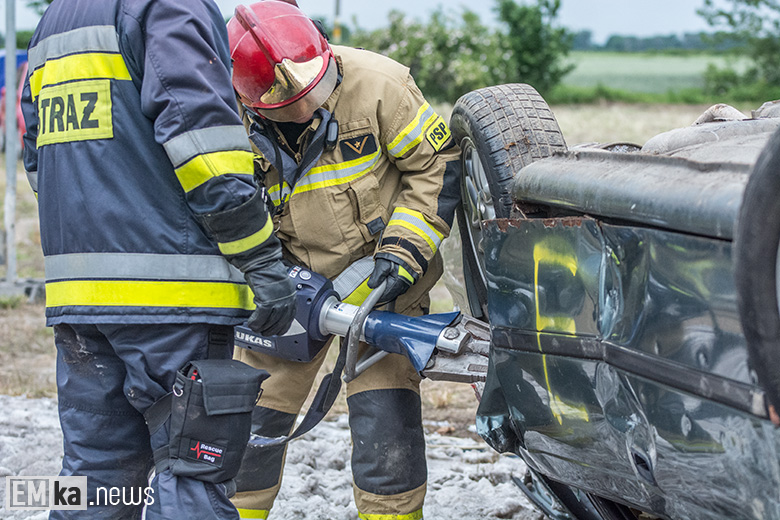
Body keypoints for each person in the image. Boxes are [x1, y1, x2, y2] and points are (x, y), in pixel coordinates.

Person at [20, 0, 297, 518]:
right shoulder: (170, 7)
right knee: (192, 471)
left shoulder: (53, 19)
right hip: (174, 300)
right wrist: (259, 259)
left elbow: (37, 156)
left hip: (77, 302)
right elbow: (204, 146)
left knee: (91, 476)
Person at [226, 2, 462, 519]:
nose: (305, 105)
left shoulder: (380, 84)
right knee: (253, 424)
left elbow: (436, 169)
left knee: (386, 428)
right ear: (250, 99)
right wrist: (263, 276)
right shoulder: (224, 111)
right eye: (285, 100)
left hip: (385, 282)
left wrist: (401, 254)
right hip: (285, 289)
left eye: (313, 88)